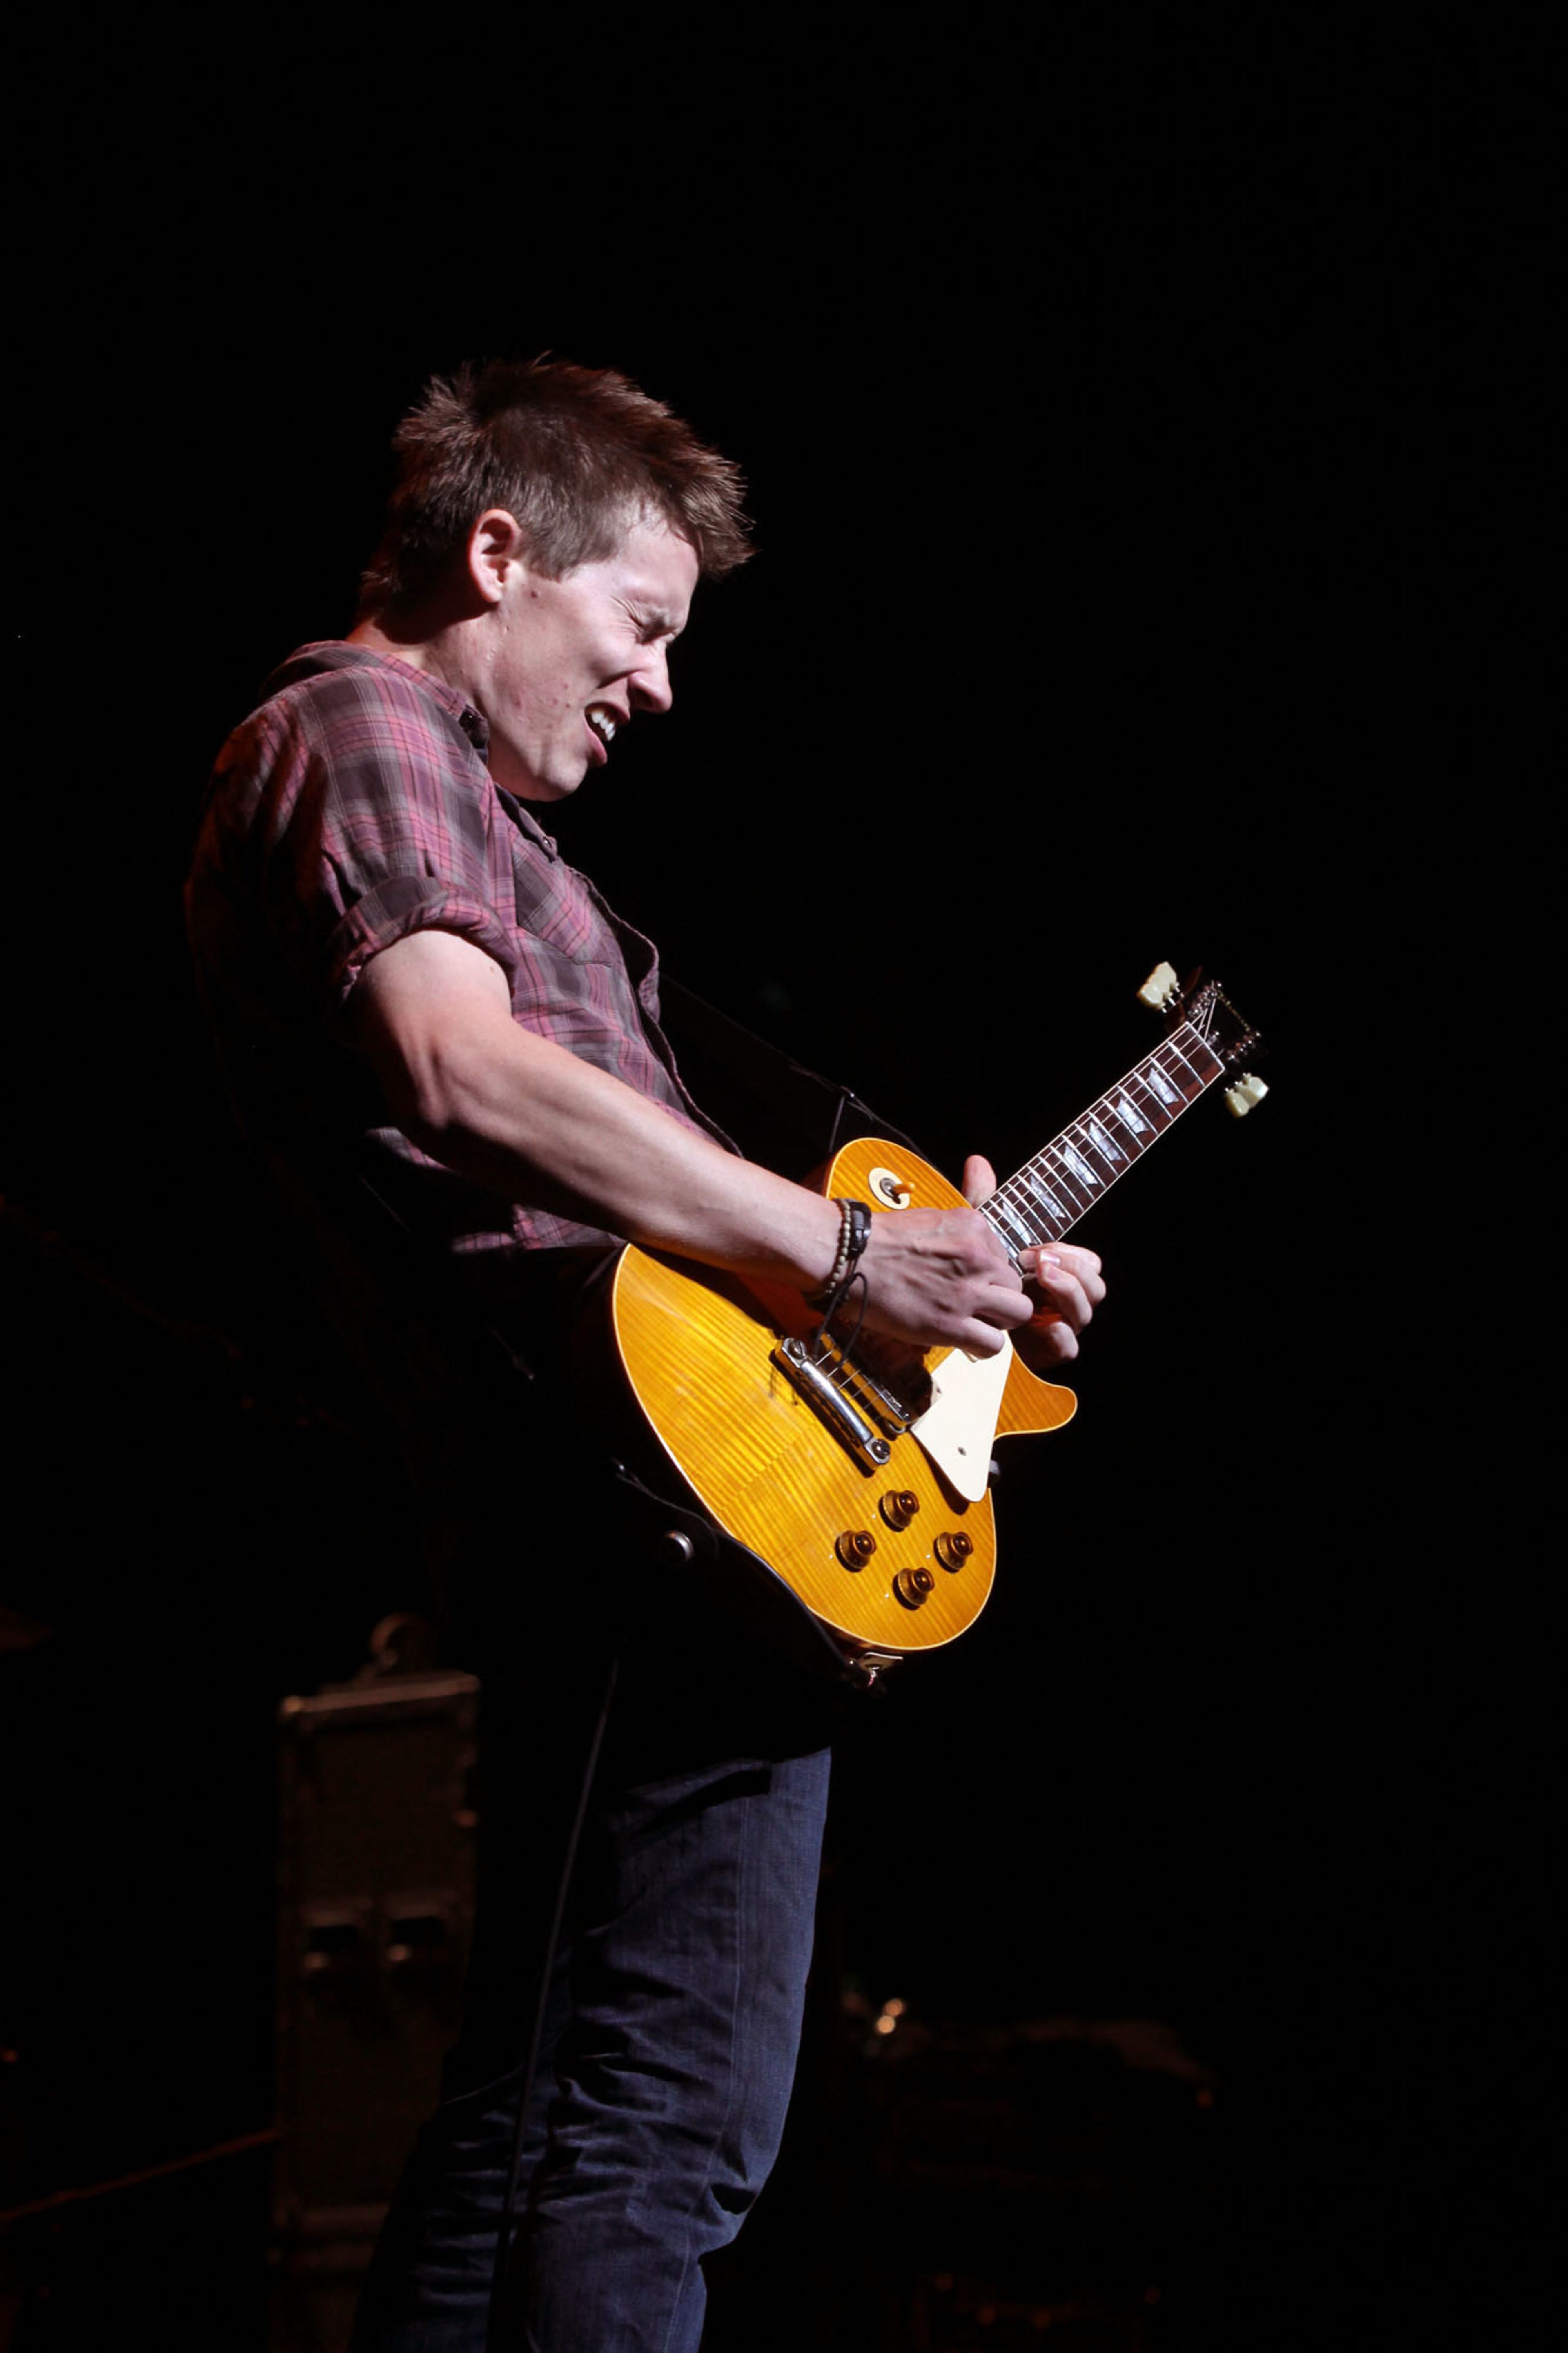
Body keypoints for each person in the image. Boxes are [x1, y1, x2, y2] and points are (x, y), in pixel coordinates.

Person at [186, 359, 1105, 2352]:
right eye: (645, 626)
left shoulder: (524, 854)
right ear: (500, 552)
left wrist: (937, 1259)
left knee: (535, 2115)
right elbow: (461, 1067)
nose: (662, 688)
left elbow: (692, 1161)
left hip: (637, 1484)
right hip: (636, 1504)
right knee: (658, 2132)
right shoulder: (361, 719)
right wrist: (856, 1251)